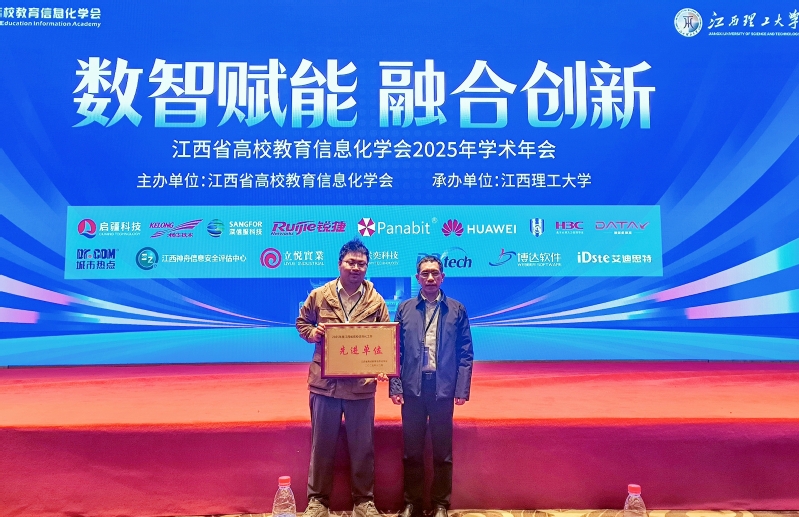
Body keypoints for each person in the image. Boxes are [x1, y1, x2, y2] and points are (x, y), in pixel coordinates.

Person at [296, 238, 389, 517]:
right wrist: (313, 333)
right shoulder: (319, 295)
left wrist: (383, 365)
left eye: (361, 263)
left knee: (363, 447)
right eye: (351, 262)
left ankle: (364, 501)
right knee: (322, 445)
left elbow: (386, 338)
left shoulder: (376, 301)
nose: (356, 268)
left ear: (367, 267)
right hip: (325, 384)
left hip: (361, 386)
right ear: (339, 264)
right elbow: (302, 322)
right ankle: (317, 501)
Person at [390, 255, 474, 517]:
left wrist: (461, 389)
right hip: (412, 388)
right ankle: (412, 503)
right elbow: (395, 352)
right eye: (425, 273)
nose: (430, 278)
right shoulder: (405, 309)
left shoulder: (456, 309)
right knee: (412, 452)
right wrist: (395, 386)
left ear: (442, 277)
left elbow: (465, 353)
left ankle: (440, 504)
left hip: (443, 389)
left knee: (442, 452)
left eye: (435, 273)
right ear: (417, 278)